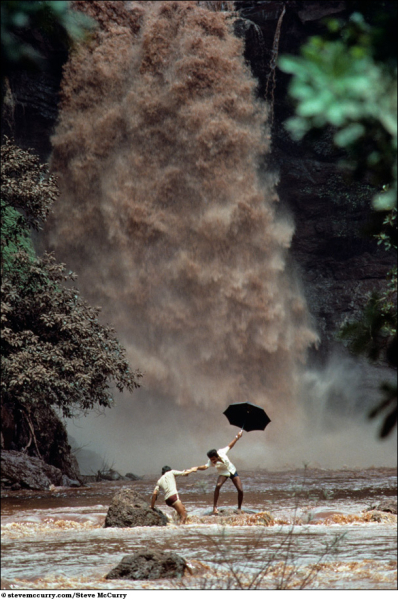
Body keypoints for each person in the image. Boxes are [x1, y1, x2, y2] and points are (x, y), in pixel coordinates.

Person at [194, 430, 243, 514]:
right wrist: (197, 468)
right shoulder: (210, 461)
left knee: (240, 490)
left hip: (232, 470)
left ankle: (239, 508)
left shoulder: (222, 452)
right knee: (218, 486)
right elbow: (205, 467)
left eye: (213, 459)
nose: (212, 461)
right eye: (211, 459)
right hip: (223, 472)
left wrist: (237, 437)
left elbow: (230, 446)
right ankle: (214, 507)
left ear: (217, 456)